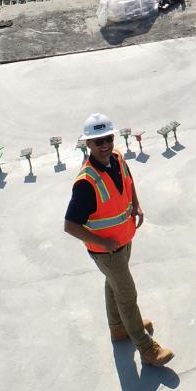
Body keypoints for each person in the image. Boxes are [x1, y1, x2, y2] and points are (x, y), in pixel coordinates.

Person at [63, 112, 174, 367]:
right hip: (107, 251)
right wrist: (103, 244)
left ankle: (119, 328)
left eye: (108, 139)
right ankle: (147, 349)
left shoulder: (117, 158)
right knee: (127, 294)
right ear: (88, 144)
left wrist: (136, 204)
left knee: (113, 284)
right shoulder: (86, 183)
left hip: (123, 240)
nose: (105, 145)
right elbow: (70, 225)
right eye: (98, 141)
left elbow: (128, 180)